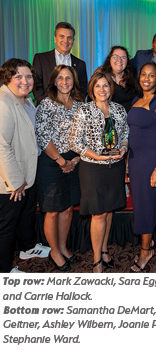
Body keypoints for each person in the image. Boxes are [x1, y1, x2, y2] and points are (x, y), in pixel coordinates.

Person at [69, 71, 129, 273]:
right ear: (92, 90)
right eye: (98, 86)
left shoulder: (119, 110)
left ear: (111, 88)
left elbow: (125, 133)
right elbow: (74, 142)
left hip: (115, 167)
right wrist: (97, 157)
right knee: (98, 213)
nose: (102, 90)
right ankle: (96, 260)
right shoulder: (84, 111)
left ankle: (104, 250)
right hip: (93, 168)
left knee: (109, 209)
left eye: (106, 86)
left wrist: (124, 147)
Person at [0, 58, 50, 273]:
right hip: (12, 180)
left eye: (28, 76)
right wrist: (17, 181)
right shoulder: (4, 103)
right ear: (7, 78)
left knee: (26, 214)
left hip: (29, 171)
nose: (24, 81)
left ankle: (27, 248)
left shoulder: (25, 99)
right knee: (7, 226)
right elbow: (1, 146)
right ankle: (4, 270)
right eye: (18, 76)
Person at [35, 65, 85, 271]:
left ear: (74, 81)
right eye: (61, 78)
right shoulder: (46, 104)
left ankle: (63, 247)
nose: (65, 82)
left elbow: (86, 135)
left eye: (69, 78)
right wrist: (61, 161)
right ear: (54, 81)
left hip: (75, 161)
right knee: (53, 211)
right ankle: (54, 251)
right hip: (52, 163)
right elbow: (43, 136)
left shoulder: (80, 105)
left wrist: (76, 160)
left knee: (67, 208)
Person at [127, 62, 156, 272]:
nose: (146, 78)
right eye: (143, 74)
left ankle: (146, 252)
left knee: (146, 206)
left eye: (151, 75)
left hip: (150, 162)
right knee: (140, 204)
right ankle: (148, 242)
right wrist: (127, 162)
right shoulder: (136, 100)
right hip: (135, 161)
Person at [33, 22, 88, 104]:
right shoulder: (40, 59)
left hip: (72, 112)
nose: (66, 41)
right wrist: (48, 106)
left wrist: (73, 106)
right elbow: (36, 85)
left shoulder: (81, 64)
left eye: (69, 38)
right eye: (62, 36)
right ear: (55, 38)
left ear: (73, 41)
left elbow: (83, 89)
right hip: (47, 110)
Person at [93, 46, 136, 113]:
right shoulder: (102, 78)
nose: (119, 60)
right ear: (110, 58)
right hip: (111, 119)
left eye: (123, 57)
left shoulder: (133, 76)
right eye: (116, 56)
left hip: (133, 119)